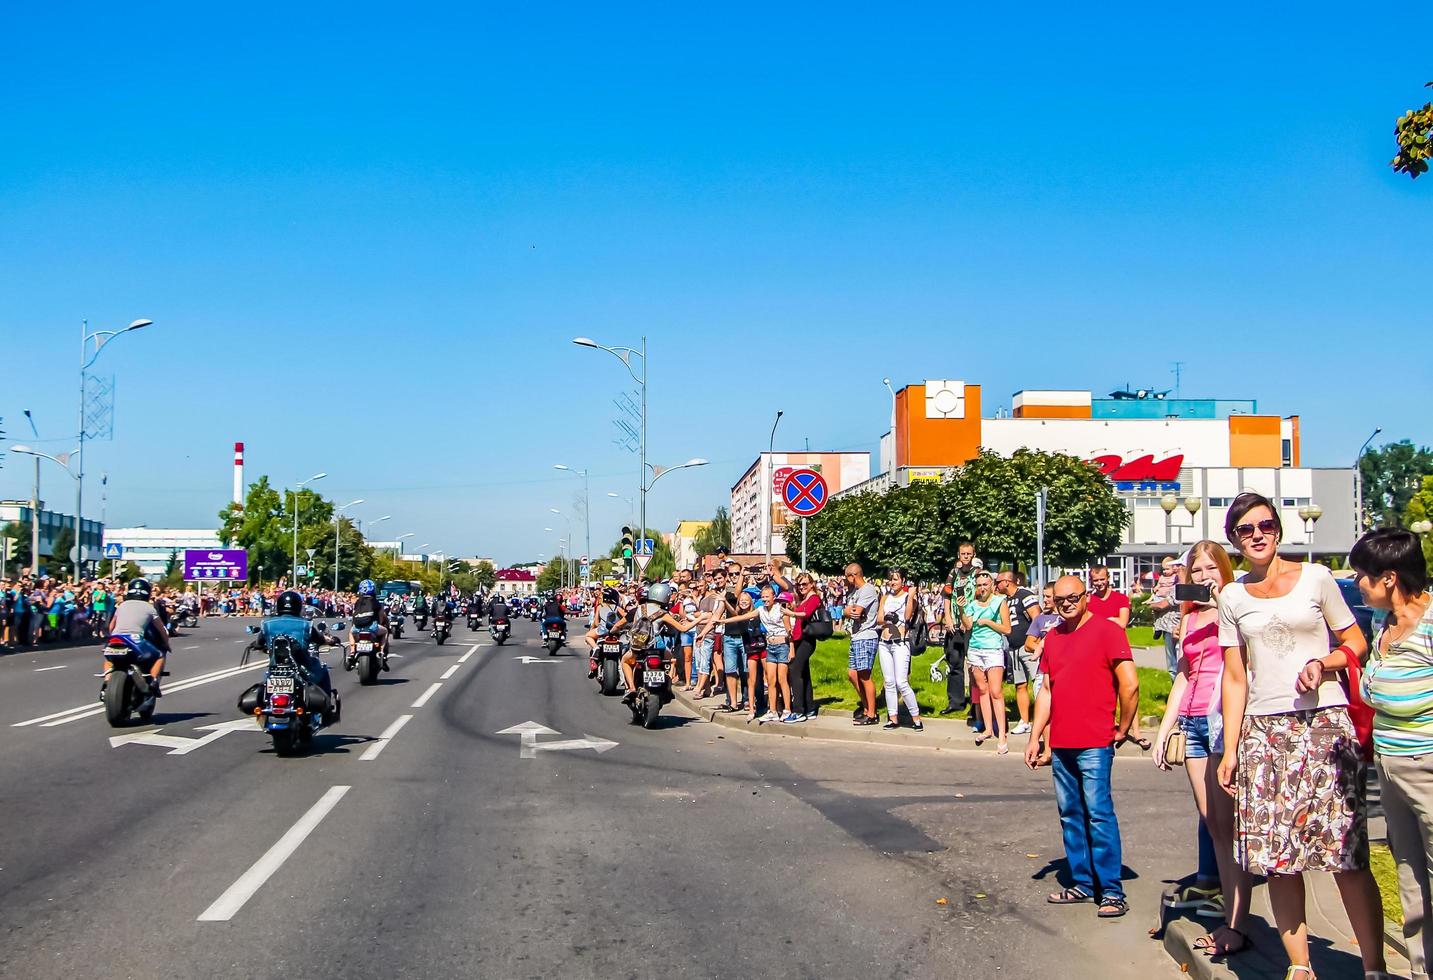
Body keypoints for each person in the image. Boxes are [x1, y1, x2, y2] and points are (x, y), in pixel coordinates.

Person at [1215, 492, 1388, 980]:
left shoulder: (1316, 577)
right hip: (1263, 732)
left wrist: (1324, 661)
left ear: (1278, 529)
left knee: (1346, 852)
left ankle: (1374, 967)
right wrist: (1230, 749)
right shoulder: (1231, 597)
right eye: (1246, 530)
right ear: (1234, 540)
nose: (1257, 535)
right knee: (1278, 858)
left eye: (1265, 525)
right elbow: (1235, 677)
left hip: (1325, 726)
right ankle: (1300, 967)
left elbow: (1355, 640)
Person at [1152, 541, 1251, 957]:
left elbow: (1244, 667)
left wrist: (1223, 603)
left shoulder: (1237, 607)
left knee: (1229, 829)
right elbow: (1183, 673)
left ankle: (1237, 923)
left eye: (1213, 568)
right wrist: (1163, 730)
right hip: (1192, 723)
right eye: (1197, 571)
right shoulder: (1190, 618)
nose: (1205, 576)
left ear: (1225, 570)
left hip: (1221, 720)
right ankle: (1228, 907)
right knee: (1213, 824)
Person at [1025, 574, 1139, 919]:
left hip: (1094, 742)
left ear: (1086, 596)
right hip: (1061, 743)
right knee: (1070, 816)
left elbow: (1130, 684)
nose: (1066, 604)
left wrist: (1123, 727)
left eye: (1072, 597)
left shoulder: (1108, 631)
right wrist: (1035, 736)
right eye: (1059, 600)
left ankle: (1112, 891)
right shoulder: (1054, 638)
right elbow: (1047, 690)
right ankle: (1082, 883)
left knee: (1099, 815)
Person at [1353, 527, 1433, 980]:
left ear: (1388, 578)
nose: (1357, 582)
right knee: (1411, 879)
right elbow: (1373, 690)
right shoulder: (1384, 625)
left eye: (1362, 574)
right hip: (1389, 765)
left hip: (1428, 767)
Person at [259, 589, 337, 716]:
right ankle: (327, 711)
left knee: (267, 676)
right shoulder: (306, 625)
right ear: (298, 606)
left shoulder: (267, 624)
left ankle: (267, 704)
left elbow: (259, 643)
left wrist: (260, 646)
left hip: (275, 669)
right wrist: (332, 640)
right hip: (302, 669)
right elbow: (320, 639)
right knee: (323, 669)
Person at [961, 571, 1011, 752]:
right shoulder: (973, 604)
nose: (982, 588)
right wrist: (961, 609)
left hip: (993, 650)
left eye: (985, 584)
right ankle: (988, 728)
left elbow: (1007, 628)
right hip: (975, 650)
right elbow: (967, 626)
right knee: (982, 689)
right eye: (979, 585)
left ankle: (1002, 735)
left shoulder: (1000, 602)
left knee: (996, 691)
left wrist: (988, 622)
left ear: (992, 585)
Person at [106, 578, 172, 694]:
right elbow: (162, 630)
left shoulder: (122, 605)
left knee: (110, 657)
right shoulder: (149, 608)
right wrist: (166, 644)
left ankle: (107, 681)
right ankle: (153, 681)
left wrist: (112, 637)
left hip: (117, 638)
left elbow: (111, 626)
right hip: (135, 639)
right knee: (159, 655)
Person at [877, 567, 922, 732]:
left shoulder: (907, 597)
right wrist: (887, 619)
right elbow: (879, 619)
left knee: (901, 682)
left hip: (901, 643)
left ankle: (916, 718)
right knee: (889, 682)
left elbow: (908, 616)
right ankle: (893, 718)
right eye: (890, 579)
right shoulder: (885, 597)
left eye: (896, 579)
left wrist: (910, 596)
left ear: (902, 580)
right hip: (884, 642)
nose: (892, 582)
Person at [996, 571, 1041, 735]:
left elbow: (1037, 616)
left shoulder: (1025, 594)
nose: (997, 585)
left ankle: (1042, 718)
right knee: (1020, 685)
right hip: (1013, 647)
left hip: (1028, 646)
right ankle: (1025, 720)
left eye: (998, 581)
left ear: (1007, 581)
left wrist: (1034, 641)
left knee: (1039, 683)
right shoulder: (1005, 600)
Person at [940, 542, 980, 717]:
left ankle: (976, 704)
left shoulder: (977, 574)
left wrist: (968, 619)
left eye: (969, 554)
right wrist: (948, 618)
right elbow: (947, 596)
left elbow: (979, 597)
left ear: (973, 555)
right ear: (958, 554)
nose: (966, 556)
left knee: (973, 666)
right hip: (954, 625)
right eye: (963, 553)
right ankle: (955, 702)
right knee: (954, 663)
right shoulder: (953, 573)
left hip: (970, 625)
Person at [780, 570, 823, 721]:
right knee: (804, 672)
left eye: (804, 584)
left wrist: (791, 613)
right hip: (799, 638)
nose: (801, 587)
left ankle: (798, 711)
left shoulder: (814, 598)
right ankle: (809, 707)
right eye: (799, 585)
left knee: (795, 670)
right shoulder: (803, 599)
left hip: (807, 639)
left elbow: (806, 614)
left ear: (811, 584)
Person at [842, 563, 881, 726]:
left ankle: (872, 714)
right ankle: (866, 707)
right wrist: (847, 611)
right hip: (856, 636)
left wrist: (849, 610)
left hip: (866, 636)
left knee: (865, 676)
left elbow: (856, 612)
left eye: (847, 577)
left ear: (853, 575)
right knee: (852, 674)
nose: (846, 581)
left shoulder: (867, 590)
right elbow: (846, 611)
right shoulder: (855, 592)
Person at [1150, 556, 1183, 676]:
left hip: (1174, 626)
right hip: (1166, 625)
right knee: (1175, 663)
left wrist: (1151, 605)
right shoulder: (1165, 580)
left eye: (1179, 566)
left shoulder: (1179, 586)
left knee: (1174, 664)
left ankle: (1178, 690)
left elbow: (1163, 604)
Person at [349, 579, 390, 670]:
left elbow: (354, 615)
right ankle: (382, 653)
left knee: (351, 632)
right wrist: (379, 623)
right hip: (371, 627)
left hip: (357, 628)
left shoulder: (358, 602)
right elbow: (380, 618)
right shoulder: (376, 602)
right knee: (385, 631)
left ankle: (352, 652)